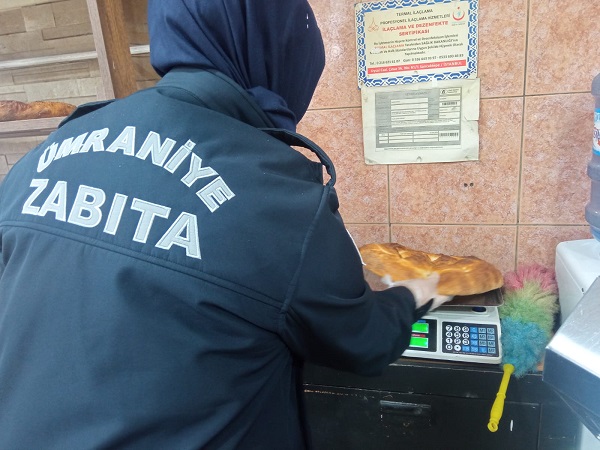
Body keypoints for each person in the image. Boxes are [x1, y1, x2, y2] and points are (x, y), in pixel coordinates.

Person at [0, 0, 451, 448]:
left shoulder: (46, 153)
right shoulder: (275, 194)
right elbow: (363, 341)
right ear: (278, 54)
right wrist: (415, 295)